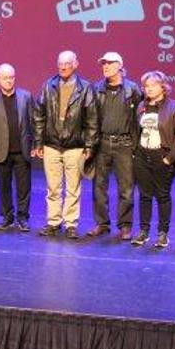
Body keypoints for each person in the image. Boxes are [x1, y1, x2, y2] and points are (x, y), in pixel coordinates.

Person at [33, 51, 99, 239]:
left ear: (75, 64)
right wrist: (38, 141)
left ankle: (70, 224)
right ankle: (53, 222)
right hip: (52, 144)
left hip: (75, 145)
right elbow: (39, 115)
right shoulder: (49, 85)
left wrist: (89, 146)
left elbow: (92, 119)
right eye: (60, 63)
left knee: (73, 188)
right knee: (53, 187)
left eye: (67, 63)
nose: (63, 67)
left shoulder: (85, 88)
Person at [88, 52, 144, 240]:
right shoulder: (96, 89)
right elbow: (91, 119)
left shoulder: (132, 90)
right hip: (102, 143)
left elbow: (140, 118)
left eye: (110, 63)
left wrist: (137, 145)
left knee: (126, 188)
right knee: (99, 186)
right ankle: (102, 224)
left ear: (120, 65)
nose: (105, 66)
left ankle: (125, 226)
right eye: (103, 63)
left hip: (124, 144)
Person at [130, 71, 175, 249]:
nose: (149, 89)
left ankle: (163, 233)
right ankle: (144, 231)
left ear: (162, 86)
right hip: (142, 156)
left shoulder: (174, 107)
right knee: (145, 196)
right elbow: (135, 130)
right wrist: (134, 152)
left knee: (162, 195)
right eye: (146, 86)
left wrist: (169, 158)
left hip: (162, 157)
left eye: (153, 85)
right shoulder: (141, 106)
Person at [0, 63, 34, 232]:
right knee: (4, 186)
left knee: (24, 187)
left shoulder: (25, 96)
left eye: (11, 77)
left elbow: (33, 123)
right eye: (5, 78)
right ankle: (7, 217)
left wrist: (35, 145)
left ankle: (23, 218)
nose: (8, 81)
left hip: (22, 151)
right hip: (1, 151)